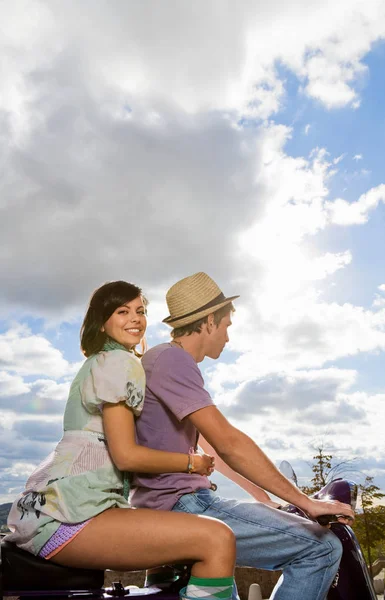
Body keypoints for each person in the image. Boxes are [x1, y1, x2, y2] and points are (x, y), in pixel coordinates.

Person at [6, 280, 237, 600]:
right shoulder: (120, 364)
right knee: (217, 538)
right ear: (103, 320)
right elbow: (126, 455)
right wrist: (192, 463)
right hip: (69, 517)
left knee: (175, 554)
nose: (135, 318)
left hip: (53, 509)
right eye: (122, 311)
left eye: (140, 311)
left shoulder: (102, 361)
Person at [131, 272, 355, 600]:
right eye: (226, 326)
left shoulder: (165, 361)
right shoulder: (171, 360)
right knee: (321, 549)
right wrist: (305, 503)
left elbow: (213, 449)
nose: (228, 337)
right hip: (184, 505)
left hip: (172, 504)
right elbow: (230, 442)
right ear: (208, 321)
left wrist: (264, 497)